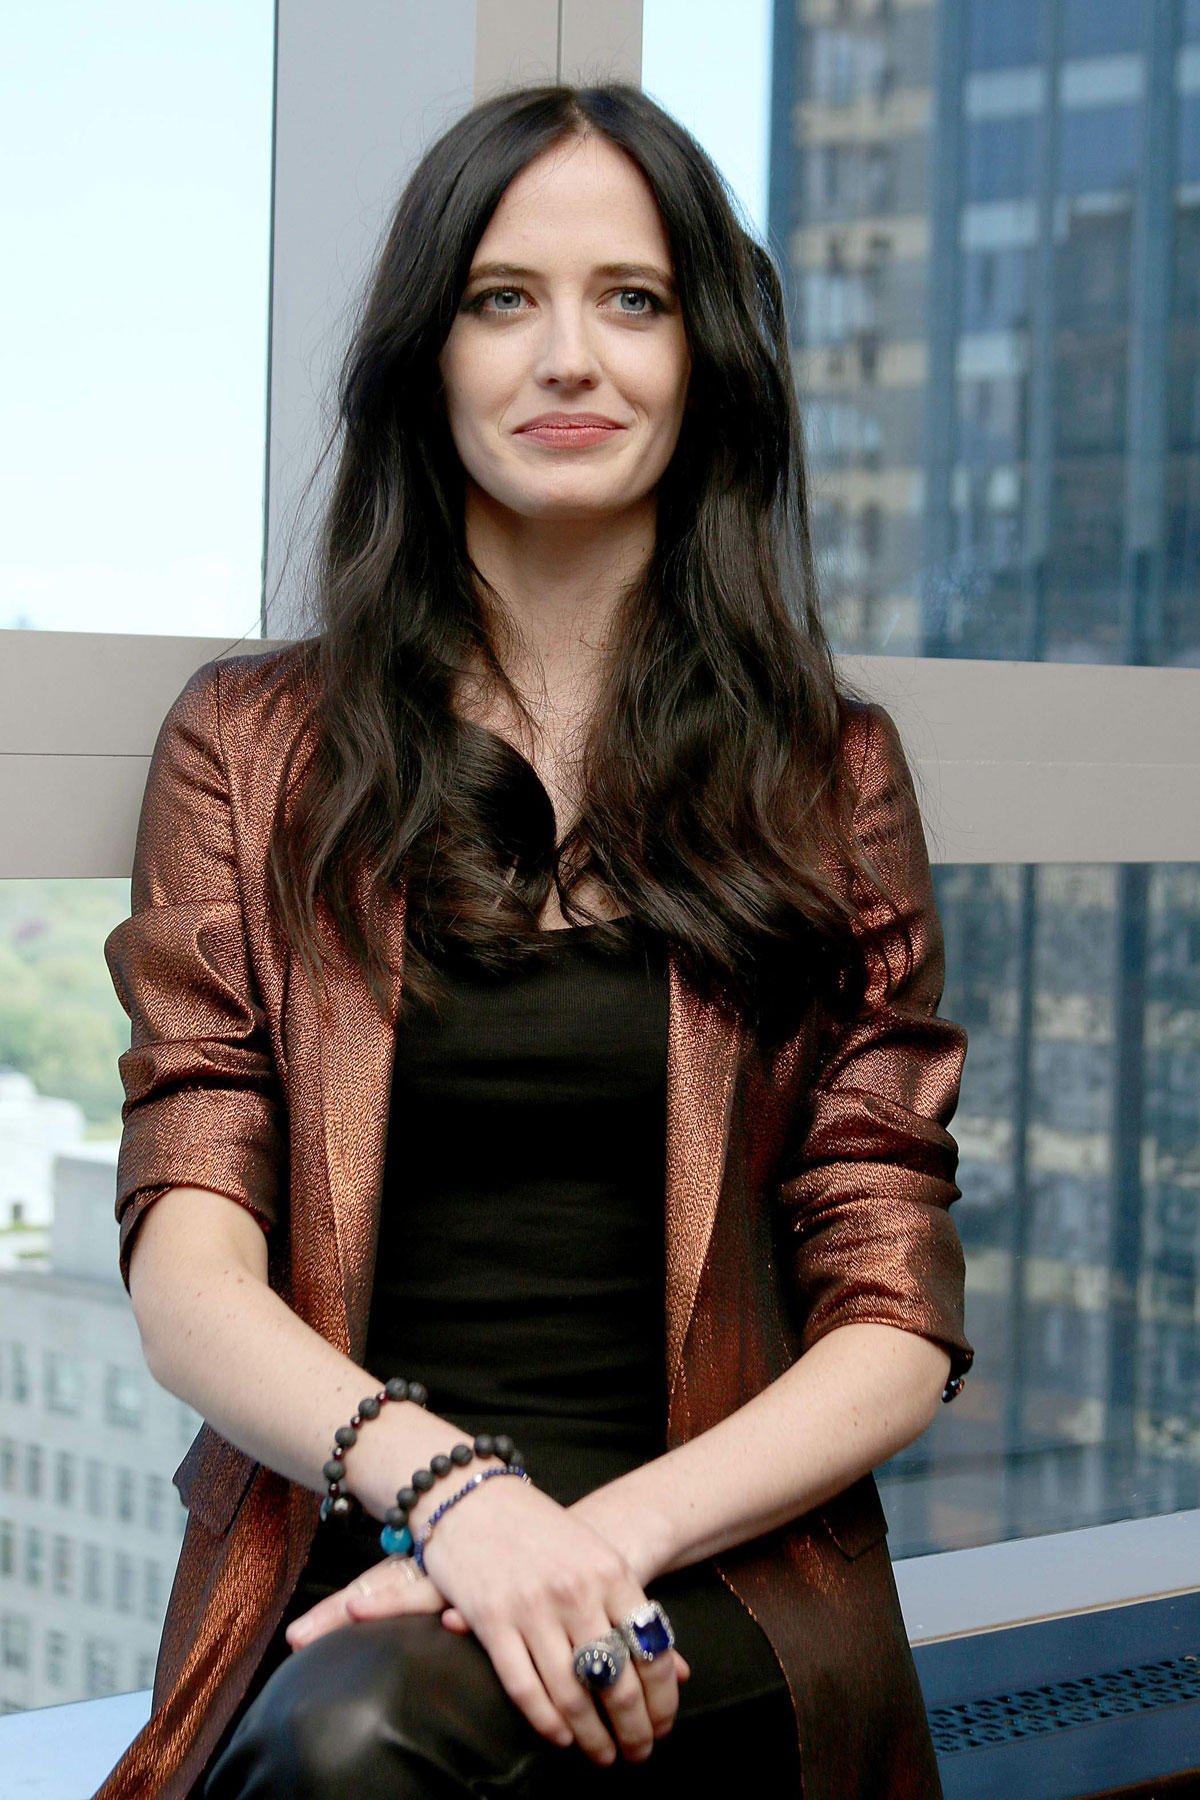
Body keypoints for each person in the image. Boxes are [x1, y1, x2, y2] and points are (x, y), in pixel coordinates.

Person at [97, 82, 973, 1800]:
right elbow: (187, 1258)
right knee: (351, 1725)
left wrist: (578, 1549)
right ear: (429, 356)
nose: (569, 356)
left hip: (717, 1566)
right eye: (506, 298)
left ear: (703, 358)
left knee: (364, 1749)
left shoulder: (828, 773)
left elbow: (894, 1308)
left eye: (631, 299)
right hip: (360, 1528)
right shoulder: (248, 746)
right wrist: (457, 1497)